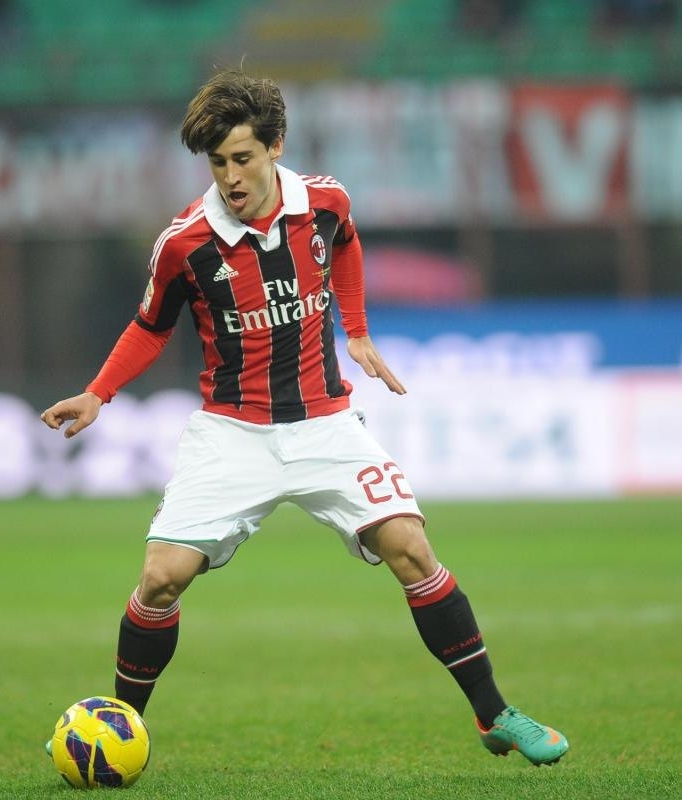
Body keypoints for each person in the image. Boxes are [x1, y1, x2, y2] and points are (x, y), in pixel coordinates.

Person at [41, 68, 568, 767]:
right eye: (217, 162)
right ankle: (117, 729)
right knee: (161, 578)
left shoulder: (324, 202)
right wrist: (98, 393)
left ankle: (493, 713)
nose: (230, 176)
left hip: (325, 423)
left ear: (275, 145)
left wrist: (357, 330)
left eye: (242, 158)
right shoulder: (185, 243)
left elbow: (345, 242)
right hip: (231, 432)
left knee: (411, 548)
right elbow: (149, 326)